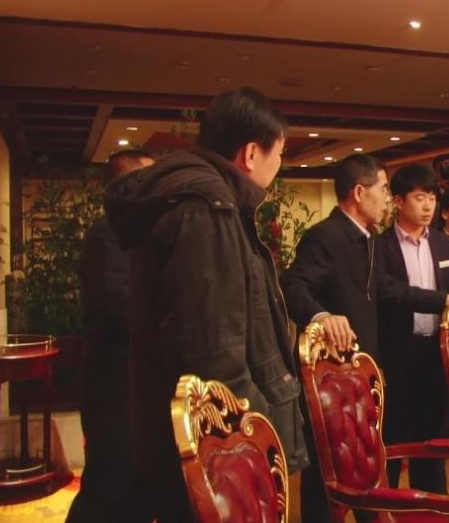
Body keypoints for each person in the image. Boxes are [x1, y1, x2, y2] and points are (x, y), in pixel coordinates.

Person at [104, 87, 308, 521]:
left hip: (190, 437)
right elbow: (213, 355)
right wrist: (257, 436)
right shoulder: (206, 210)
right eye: (279, 153)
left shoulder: (195, 199)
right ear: (251, 153)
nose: (279, 164)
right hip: (218, 447)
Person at [281, 153, 390, 523]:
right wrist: (322, 316)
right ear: (359, 192)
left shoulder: (368, 237)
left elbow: (381, 292)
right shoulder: (325, 236)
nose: (387, 198)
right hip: (327, 376)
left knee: (362, 462)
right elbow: (293, 287)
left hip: (361, 371)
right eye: (383, 189)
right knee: (324, 475)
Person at [376, 164, 449, 493]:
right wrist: (443, 299)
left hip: (437, 353)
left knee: (434, 441)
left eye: (432, 198)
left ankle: (434, 503)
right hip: (398, 355)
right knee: (394, 439)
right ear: (398, 201)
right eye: (419, 198)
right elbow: (390, 291)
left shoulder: (441, 243)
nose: (428, 206)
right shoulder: (380, 246)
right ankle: (388, 505)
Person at [67, 149, 154, 523]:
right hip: (113, 382)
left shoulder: (132, 234)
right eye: (151, 179)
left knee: (134, 486)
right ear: (129, 185)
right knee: (110, 484)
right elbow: (118, 306)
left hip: (132, 380)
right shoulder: (106, 234)